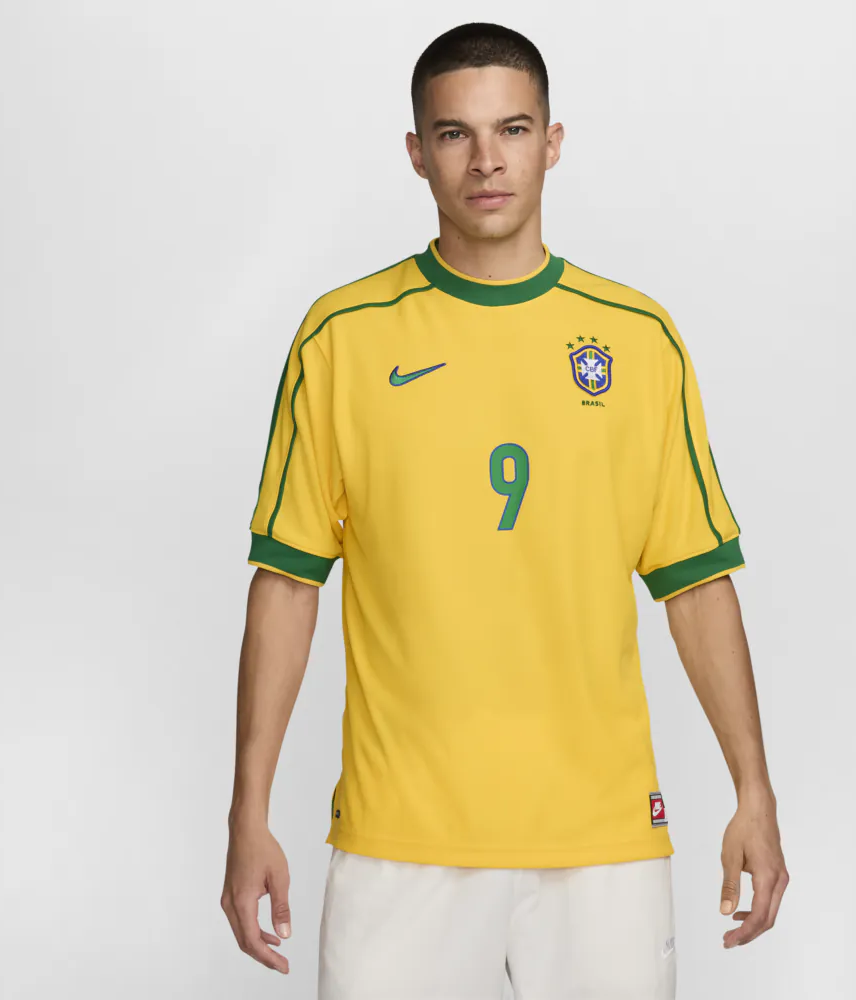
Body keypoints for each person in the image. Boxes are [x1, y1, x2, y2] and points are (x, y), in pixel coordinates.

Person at [220, 21, 788, 1000]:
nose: (486, 159)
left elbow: (696, 585)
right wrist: (248, 811)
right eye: (455, 134)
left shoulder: (636, 340)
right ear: (417, 152)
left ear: (552, 141)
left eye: (512, 129)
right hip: (400, 843)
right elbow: (287, 583)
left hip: (602, 841)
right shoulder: (342, 338)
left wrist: (754, 790)